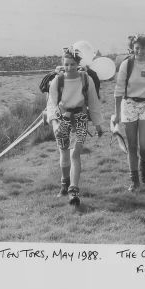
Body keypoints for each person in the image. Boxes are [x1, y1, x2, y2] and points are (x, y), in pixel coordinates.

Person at [46, 47, 103, 206]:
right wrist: (55, 123)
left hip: (81, 118)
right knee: (64, 153)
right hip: (62, 118)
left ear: (78, 64)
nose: (69, 67)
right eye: (66, 64)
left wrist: (98, 125)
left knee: (75, 154)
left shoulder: (86, 79)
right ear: (63, 64)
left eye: (72, 64)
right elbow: (51, 104)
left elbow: (93, 103)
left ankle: (73, 191)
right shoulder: (57, 81)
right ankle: (64, 185)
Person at [114, 34, 145, 191]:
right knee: (132, 145)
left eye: (142, 48)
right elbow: (118, 91)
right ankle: (134, 179)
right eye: (136, 48)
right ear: (132, 48)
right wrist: (117, 114)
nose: (139, 51)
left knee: (144, 146)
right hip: (128, 105)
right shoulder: (126, 64)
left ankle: (144, 162)